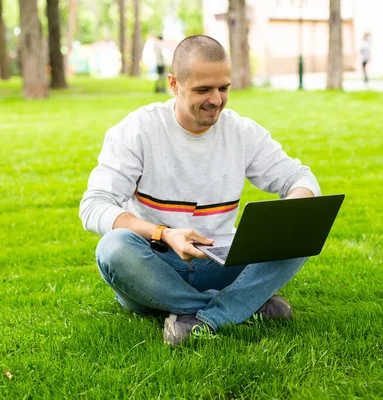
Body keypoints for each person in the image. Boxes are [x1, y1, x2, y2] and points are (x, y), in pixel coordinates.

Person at [79, 35, 321, 346]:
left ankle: (202, 319)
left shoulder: (242, 132)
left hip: (221, 263)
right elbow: (94, 206)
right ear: (174, 84)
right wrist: (164, 234)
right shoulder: (137, 130)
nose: (216, 99)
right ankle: (243, 305)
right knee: (112, 249)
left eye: (224, 88)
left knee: (302, 230)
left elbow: (299, 177)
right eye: (203, 90)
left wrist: (291, 214)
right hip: (154, 265)